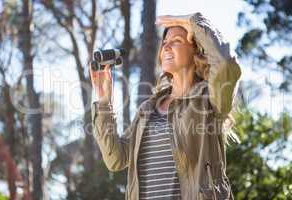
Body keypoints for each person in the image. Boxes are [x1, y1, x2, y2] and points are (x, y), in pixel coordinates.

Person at [90, 12, 241, 200]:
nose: (167, 46)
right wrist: (104, 102)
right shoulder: (147, 109)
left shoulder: (209, 98)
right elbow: (116, 159)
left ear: (196, 51)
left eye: (176, 41)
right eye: (164, 43)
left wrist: (195, 22)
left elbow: (226, 63)